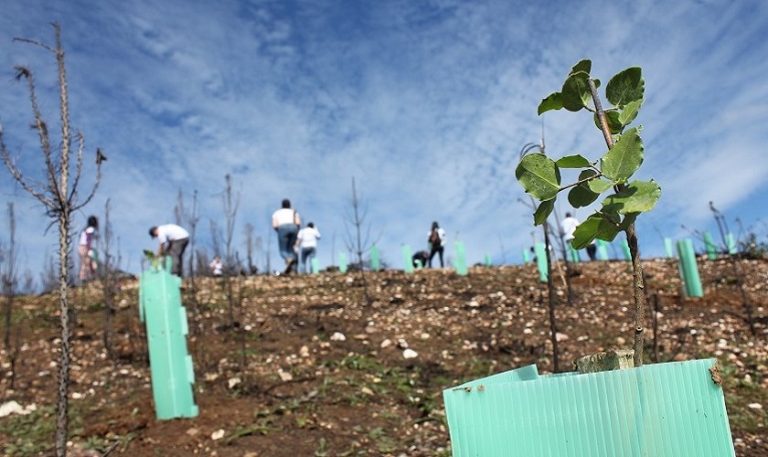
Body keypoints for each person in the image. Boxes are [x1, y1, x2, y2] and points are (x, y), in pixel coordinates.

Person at [272, 199, 301, 274]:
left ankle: (288, 260)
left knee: (283, 250)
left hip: (282, 228)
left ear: (282, 205)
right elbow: (298, 223)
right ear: (290, 205)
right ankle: (293, 269)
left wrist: (279, 232)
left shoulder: (276, 213)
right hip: (294, 228)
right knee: (291, 249)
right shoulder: (294, 212)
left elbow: (275, 225)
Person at [78, 215, 99, 281]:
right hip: (85, 247)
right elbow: (88, 238)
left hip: (81, 247)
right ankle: (87, 278)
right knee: (90, 262)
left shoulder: (84, 230)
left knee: (85, 263)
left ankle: (84, 278)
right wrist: (89, 248)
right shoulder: (90, 229)